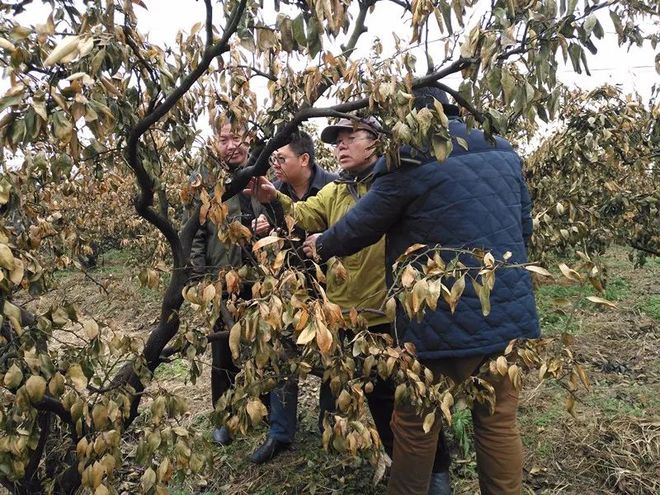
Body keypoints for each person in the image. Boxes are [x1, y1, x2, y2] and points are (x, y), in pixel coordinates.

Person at [301, 87, 540, 495]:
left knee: (413, 426)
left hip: (436, 320)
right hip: (505, 312)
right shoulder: (502, 147)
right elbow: (523, 228)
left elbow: (363, 224)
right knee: (498, 423)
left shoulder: (408, 157)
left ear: (412, 118)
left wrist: (321, 245)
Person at [246, 117, 452, 492]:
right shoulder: (336, 190)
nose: (340, 146)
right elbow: (306, 214)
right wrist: (273, 197)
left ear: (376, 141)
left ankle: (432, 474)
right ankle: (403, 466)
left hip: (388, 313)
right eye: (336, 141)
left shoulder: (393, 183)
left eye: (350, 138)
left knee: (406, 399)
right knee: (377, 398)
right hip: (347, 313)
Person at [249, 130, 338, 464]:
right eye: (273, 159)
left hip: (329, 291)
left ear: (304, 159)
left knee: (332, 356)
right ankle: (280, 433)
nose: (276, 165)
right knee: (282, 356)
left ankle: (330, 427)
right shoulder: (273, 193)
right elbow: (264, 242)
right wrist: (262, 230)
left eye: (281, 158)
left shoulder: (334, 188)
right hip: (286, 292)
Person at [190, 121, 265, 446]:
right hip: (222, 281)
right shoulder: (209, 185)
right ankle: (225, 417)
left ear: (249, 139)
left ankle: (259, 410)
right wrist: (201, 277)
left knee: (263, 347)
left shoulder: (265, 176)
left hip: (263, 283)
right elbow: (194, 235)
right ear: (216, 145)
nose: (232, 144)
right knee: (224, 352)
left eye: (238, 137)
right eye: (224, 139)